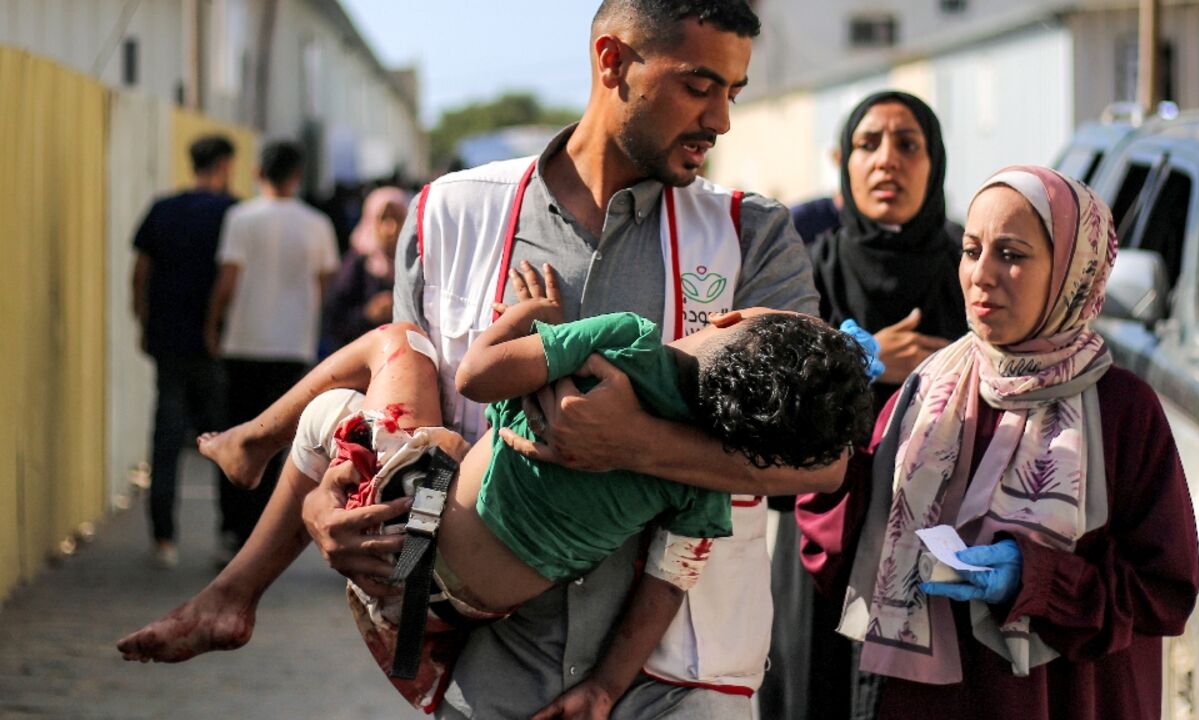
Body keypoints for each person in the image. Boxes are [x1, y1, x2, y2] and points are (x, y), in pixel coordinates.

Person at [120, 2, 840, 718]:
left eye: (733, 93)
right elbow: (392, 419)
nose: (720, 120)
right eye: (698, 85)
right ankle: (237, 577)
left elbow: (822, 460)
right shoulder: (448, 216)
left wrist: (634, 443)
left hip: (683, 679)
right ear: (612, 61)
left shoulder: (753, 235)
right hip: (486, 672)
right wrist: (326, 504)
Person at [795, 165, 1199, 719]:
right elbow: (833, 549)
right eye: (970, 249)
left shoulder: (1121, 410)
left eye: (1011, 253)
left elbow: (1163, 591)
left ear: (1071, 271)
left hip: (1064, 699)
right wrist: (829, 406)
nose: (981, 275)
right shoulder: (924, 392)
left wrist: (1037, 579)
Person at [762, 90, 971, 719]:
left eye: (909, 144)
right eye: (868, 143)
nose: (888, 161)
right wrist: (864, 360)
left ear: (934, 163)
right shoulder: (808, 271)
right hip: (823, 541)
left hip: (945, 546)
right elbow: (773, 412)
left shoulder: (971, 268)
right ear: (843, 164)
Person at [205, 140, 339, 557]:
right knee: (278, 445)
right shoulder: (317, 224)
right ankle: (261, 536)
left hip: (243, 342)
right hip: (291, 347)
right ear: (297, 176)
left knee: (234, 435)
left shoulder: (240, 218)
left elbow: (228, 277)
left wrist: (212, 323)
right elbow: (324, 284)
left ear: (257, 173)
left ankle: (232, 527)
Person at [130, 135, 237, 568]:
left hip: (168, 340)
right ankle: (228, 535)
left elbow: (139, 274)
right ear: (225, 165)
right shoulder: (234, 212)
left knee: (166, 437)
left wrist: (143, 323)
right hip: (218, 345)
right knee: (227, 439)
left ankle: (163, 538)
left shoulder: (162, 209)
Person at [320, 186, 407, 350]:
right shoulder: (357, 263)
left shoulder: (416, 264)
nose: (391, 228)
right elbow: (335, 319)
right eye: (383, 219)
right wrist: (368, 314)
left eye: (398, 218)